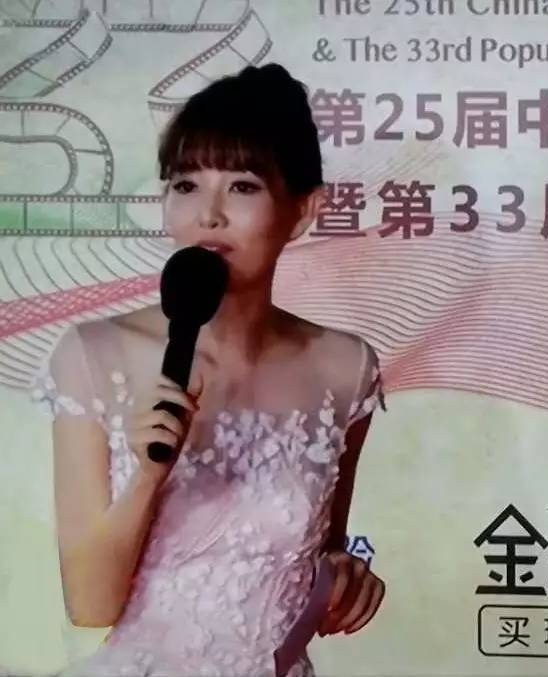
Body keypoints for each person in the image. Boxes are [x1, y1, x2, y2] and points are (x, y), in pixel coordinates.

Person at [31, 63, 387, 677]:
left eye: (243, 187)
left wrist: (345, 574)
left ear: (303, 210)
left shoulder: (345, 368)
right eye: (187, 184)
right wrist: (147, 476)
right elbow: (90, 605)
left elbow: (318, 552)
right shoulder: (95, 354)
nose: (209, 214)